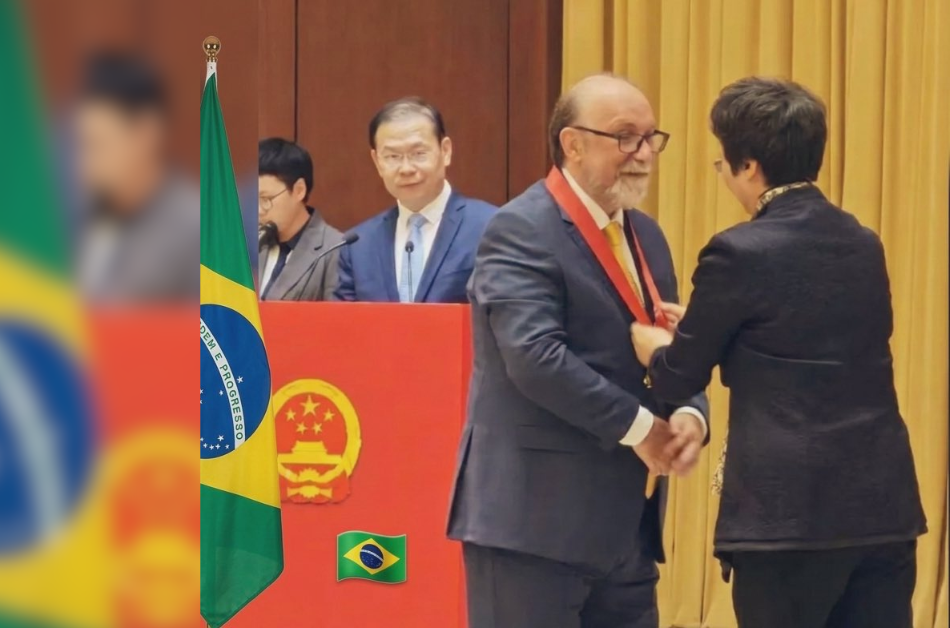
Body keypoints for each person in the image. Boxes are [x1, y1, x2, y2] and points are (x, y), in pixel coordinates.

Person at [630, 77, 927, 628]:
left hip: (787, 516)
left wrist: (657, 348)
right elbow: (810, 341)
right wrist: (713, 329)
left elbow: (677, 378)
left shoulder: (737, 252)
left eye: (723, 163)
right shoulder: (864, 243)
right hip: (882, 509)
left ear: (749, 166)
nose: (723, 174)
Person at [446, 74, 709, 628]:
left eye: (651, 138)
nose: (644, 153)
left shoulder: (648, 236)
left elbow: (670, 341)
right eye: (626, 137)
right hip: (533, 526)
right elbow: (535, 358)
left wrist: (689, 411)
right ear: (573, 143)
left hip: (626, 532)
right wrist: (645, 429)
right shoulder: (519, 228)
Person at [333, 97, 495, 303]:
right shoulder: (358, 244)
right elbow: (344, 320)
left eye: (418, 154)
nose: (406, 169)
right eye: (393, 157)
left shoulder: (490, 226)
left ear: (445, 151)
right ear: (377, 162)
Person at [74, 50, 198, 303]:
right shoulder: (85, 216)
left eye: (97, 145)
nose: (84, 164)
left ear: (146, 134)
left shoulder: (196, 229)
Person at [257, 138, 344, 301]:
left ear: (299, 190)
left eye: (265, 199)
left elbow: (336, 316)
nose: (258, 210)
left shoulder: (335, 249)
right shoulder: (250, 244)